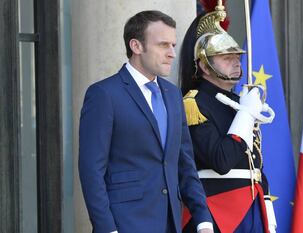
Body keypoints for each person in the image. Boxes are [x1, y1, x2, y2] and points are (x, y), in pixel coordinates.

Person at [79, 10, 214, 233]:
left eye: (173, 44)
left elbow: (184, 163)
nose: (172, 53)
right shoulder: (104, 94)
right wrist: (106, 229)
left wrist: (203, 219)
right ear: (136, 46)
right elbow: (91, 170)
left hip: (170, 223)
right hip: (125, 224)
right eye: (163, 45)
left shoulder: (172, 94)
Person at [179, 4, 277, 233]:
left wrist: (267, 212)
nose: (236, 62)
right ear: (204, 65)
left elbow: (256, 164)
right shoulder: (194, 103)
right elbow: (221, 160)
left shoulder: (237, 102)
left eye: (236, 57)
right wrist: (245, 115)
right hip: (218, 209)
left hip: (252, 205)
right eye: (226, 58)